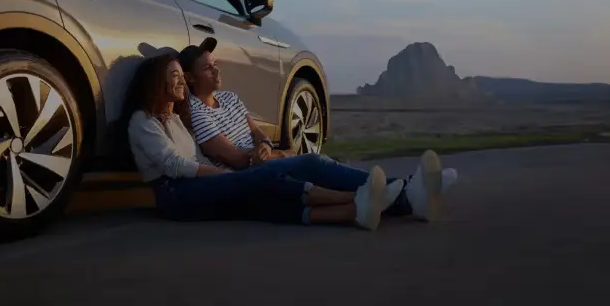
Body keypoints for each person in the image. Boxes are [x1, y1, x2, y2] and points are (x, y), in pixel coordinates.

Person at [175, 37, 456, 221]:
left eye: (215, 64)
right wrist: (278, 154)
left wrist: (267, 146)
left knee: (320, 168)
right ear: (190, 78)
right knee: (312, 163)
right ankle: (408, 190)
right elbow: (235, 159)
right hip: (246, 176)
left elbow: (257, 133)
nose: (217, 71)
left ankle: (408, 195)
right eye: (208, 68)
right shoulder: (197, 113)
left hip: (263, 161)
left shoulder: (230, 98)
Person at [127, 53, 411, 230]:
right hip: (175, 195)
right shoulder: (143, 121)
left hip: (194, 186)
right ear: (157, 83)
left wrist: (230, 174)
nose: (180, 82)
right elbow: (175, 165)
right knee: (263, 180)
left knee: (260, 204)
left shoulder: (175, 119)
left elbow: (197, 159)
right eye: (174, 76)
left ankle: (355, 212)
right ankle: (357, 197)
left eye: (181, 75)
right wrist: (225, 176)